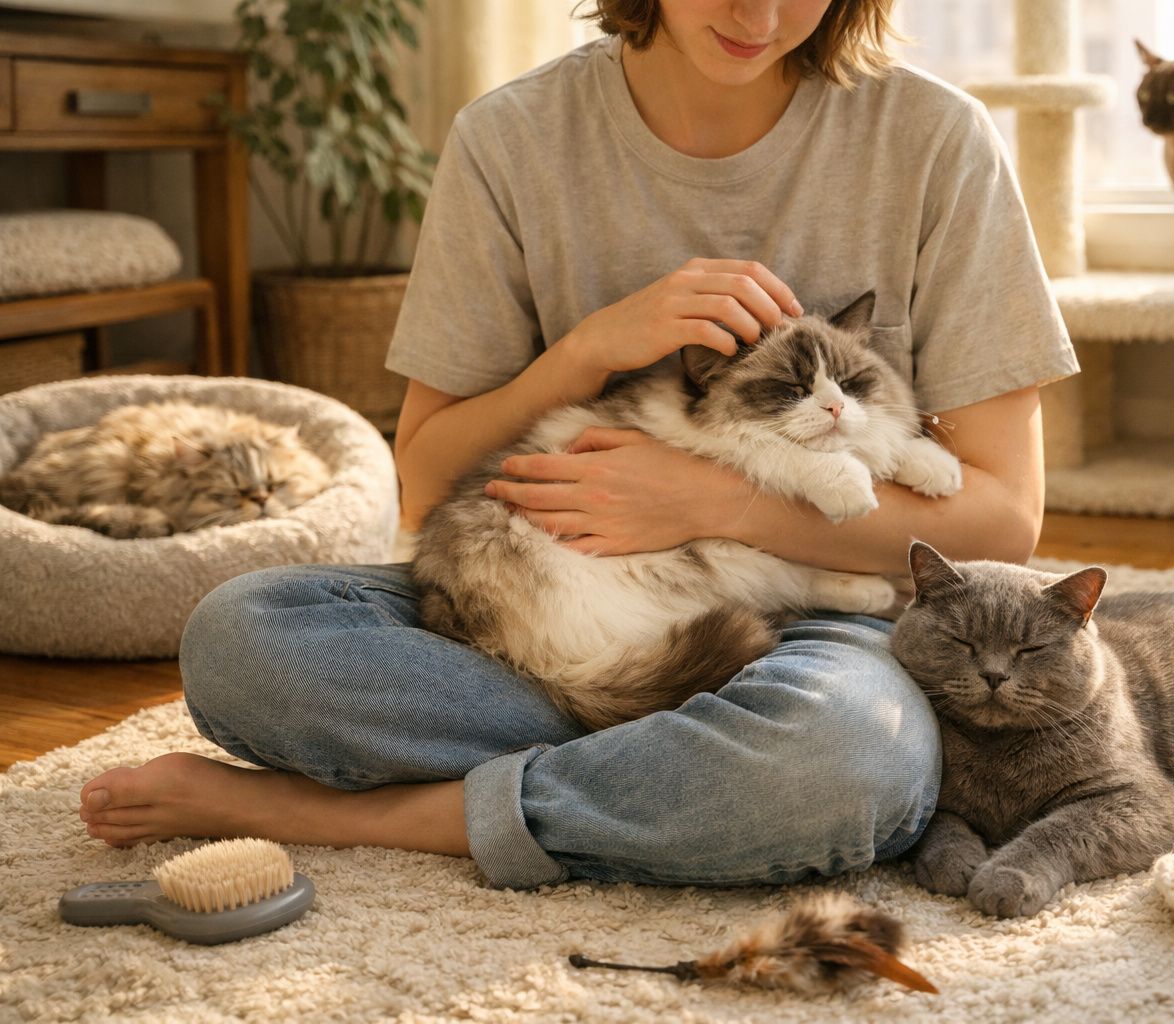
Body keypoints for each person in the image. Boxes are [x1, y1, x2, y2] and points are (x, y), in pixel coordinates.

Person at [76, 0, 1077, 890]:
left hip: (814, 611)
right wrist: (590, 348)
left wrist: (709, 502)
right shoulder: (510, 139)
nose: (762, 13)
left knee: (844, 759)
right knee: (241, 639)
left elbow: (1003, 519)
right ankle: (674, 768)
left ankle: (345, 812)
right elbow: (422, 477)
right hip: (537, 608)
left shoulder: (935, 139)